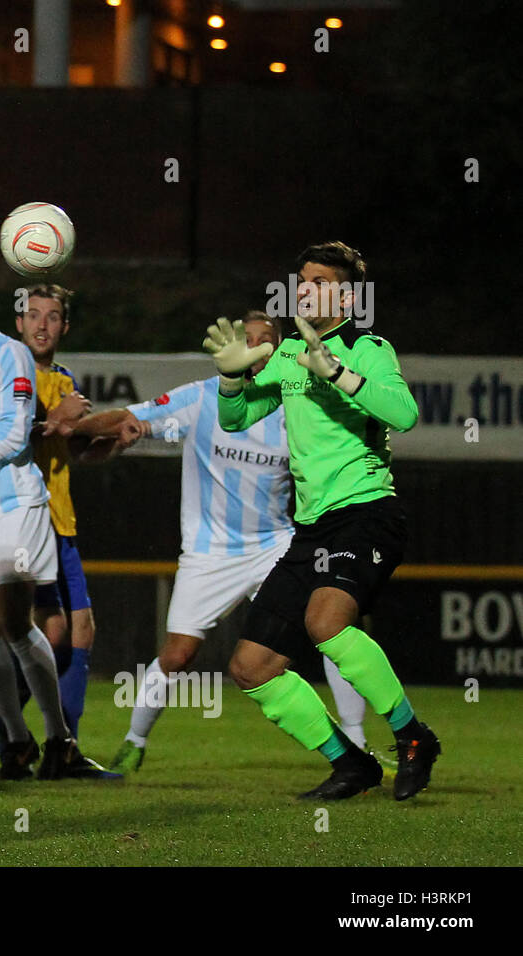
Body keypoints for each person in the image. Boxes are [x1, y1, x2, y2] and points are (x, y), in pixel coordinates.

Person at [204, 241, 439, 801]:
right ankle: (351, 763)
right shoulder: (285, 354)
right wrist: (231, 378)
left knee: (325, 622)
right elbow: (235, 420)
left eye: (317, 281)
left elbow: (405, 414)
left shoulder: (367, 347)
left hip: (367, 512)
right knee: (251, 665)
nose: (303, 289)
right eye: (301, 280)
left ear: (347, 294)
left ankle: (411, 737)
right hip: (312, 530)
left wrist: (336, 371)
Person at [99, 312, 372, 773]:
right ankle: (134, 741)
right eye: (248, 340)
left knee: (329, 629)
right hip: (208, 555)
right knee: (177, 654)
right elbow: (132, 417)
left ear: (280, 350)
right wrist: (78, 428)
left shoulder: (294, 407)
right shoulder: (203, 398)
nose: (256, 348)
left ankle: (359, 742)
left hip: (273, 548)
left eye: (266, 341)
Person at [0, 302, 111, 780]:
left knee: (22, 626)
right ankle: (18, 739)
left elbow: (15, 436)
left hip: (15, 506)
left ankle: (59, 736)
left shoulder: (9, 352)